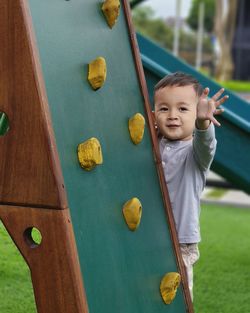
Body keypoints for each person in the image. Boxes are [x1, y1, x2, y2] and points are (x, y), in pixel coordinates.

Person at [153, 72, 229, 300]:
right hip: (149, 235)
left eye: (183, 109)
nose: (173, 116)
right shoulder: (153, 143)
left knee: (177, 298)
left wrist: (203, 123)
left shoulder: (195, 155)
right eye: (164, 109)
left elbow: (205, 144)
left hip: (181, 241)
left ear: (196, 112)